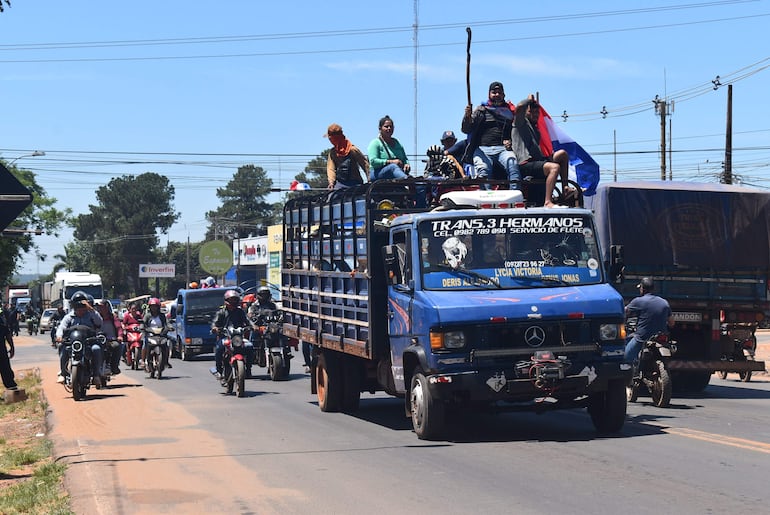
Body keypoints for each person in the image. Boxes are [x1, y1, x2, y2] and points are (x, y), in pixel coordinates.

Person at [510, 94, 573, 207]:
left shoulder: (536, 129)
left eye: (537, 112)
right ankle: (548, 201)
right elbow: (519, 107)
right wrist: (528, 101)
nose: (535, 115)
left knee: (562, 155)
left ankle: (565, 189)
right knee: (554, 168)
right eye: (532, 112)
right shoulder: (520, 123)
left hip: (537, 160)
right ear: (526, 112)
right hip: (525, 163)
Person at [461, 81, 520, 190]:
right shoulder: (481, 110)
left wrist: (510, 141)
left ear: (504, 95)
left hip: (503, 150)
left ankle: (515, 195)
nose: (497, 95)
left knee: (512, 164)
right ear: (489, 94)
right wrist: (467, 116)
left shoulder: (510, 112)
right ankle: (486, 200)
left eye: (499, 92)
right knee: (483, 171)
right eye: (494, 92)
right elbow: (466, 129)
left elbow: (515, 131)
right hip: (482, 149)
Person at [55, 291, 104, 386]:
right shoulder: (69, 317)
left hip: (89, 342)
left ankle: (96, 375)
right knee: (63, 348)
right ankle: (63, 373)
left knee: (96, 349)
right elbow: (62, 327)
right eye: (78, 308)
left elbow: (100, 322)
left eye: (82, 307)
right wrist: (59, 336)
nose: (81, 310)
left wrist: (92, 310)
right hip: (74, 343)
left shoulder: (91, 315)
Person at [624, 277, 675, 365]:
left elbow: (625, 312)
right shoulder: (664, 302)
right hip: (660, 338)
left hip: (643, 338)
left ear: (642, 289)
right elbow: (672, 323)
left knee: (625, 358)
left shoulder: (638, 301)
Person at [211, 290, 252, 381]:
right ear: (226, 300)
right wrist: (215, 328)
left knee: (249, 347)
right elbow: (215, 322)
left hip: (238, 338)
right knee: (219, 349)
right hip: (225, 337)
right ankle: (219, 371)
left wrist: (252, 326)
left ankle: (248, 369)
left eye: (235, 300)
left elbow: (247, 321)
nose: (233, 302)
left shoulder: (240, 312)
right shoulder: (221, 312)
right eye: (231, 300)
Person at [325, 123, 369, 190]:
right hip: (340, 183)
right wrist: (331, 182)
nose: (330, 140)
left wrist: (369, 179)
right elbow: (330, 168)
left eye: (330, 138)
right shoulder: (333, 152)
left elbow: (365, 164)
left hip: (355, 183)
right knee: (331, 198)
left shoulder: (352, 150)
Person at [142, 298, 172, 372]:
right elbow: (143, 323)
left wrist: (170, 327)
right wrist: (142, 327)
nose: (154, 308)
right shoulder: (147, 316)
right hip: (150, 335)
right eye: (152, 306)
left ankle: (166, 361)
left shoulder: (162, 316)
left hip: (161, 335)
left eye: (155, 306)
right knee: (144, 345)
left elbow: (167, 323)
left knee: (167, 346)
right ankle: (144, 361)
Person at [96, 300, 123, 375]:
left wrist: (120, 336)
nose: (100, 309)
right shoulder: (96, 317)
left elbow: (119, 327)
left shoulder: (113, 317)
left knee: (117, 346)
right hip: (98, 340)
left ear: (107, 307)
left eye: (102, 307)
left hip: (111, 340)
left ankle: (114, 366)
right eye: (99, 307)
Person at [0, 310, 18, 390]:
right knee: (6, 369)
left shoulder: (2, 321)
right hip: (1, 351)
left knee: (6, 371)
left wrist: (12, 347)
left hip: (1, 351)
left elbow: (7, 333)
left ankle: (12, 389)